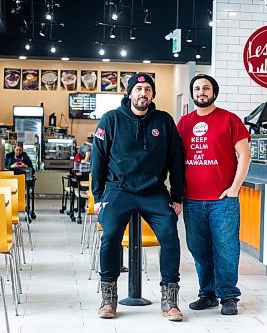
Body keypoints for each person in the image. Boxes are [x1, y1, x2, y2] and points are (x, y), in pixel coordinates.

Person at [91, 73, 185, 321]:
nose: (143, 93)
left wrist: (177, 196)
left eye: (147, 89)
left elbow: (176, 160)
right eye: (138, 89)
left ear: (152, 94)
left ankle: (169, 299)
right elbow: (97, 159)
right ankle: (108, 297)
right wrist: (98, 196)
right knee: (110, 235)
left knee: (169, 235)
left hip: (154, 191)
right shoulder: (110, 119)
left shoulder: (164, 121)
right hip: (118, 190)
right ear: (130, 93)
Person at [177, 74, 251, 315]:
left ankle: (228, 296)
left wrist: (235, 188)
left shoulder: (230, 120)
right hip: (192, 200)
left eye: (206, 88)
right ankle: (207, 293)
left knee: (226, 248)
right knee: (198, 248)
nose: (201, 92)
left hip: (223, 201)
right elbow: (174, 158)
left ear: (214, 93)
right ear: (192, 93)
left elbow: (245, 155)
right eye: (197, 88)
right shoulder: (184, 123)